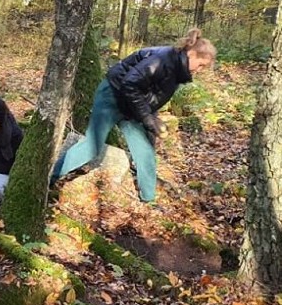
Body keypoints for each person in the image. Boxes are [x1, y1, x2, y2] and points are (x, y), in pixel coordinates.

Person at [51, 28, 217, 202]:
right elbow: (130, 84)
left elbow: (152, 95)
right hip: (112, 96)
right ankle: (49, 178)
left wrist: (152, 123)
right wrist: (146, 117)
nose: (199, 70)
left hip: (132, 106)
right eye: (201, 65)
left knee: (145, 152)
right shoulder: (162, 60)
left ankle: (149, 200)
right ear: (191, 54)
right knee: (92, 146)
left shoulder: (178, 71)